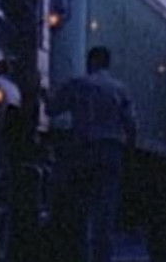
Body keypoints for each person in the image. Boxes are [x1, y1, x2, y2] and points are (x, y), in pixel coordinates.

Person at [50, 46, 138, 262]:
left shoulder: (78, 84)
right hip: (111, 152)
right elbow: (131, 125)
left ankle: (81, 255)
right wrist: (129, 153)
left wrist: (44, 95)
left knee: (80, 211)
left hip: (82, 152)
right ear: (107, 63)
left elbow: (52, 109)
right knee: (105, 214)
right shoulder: (120, 89)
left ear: (91, 62)